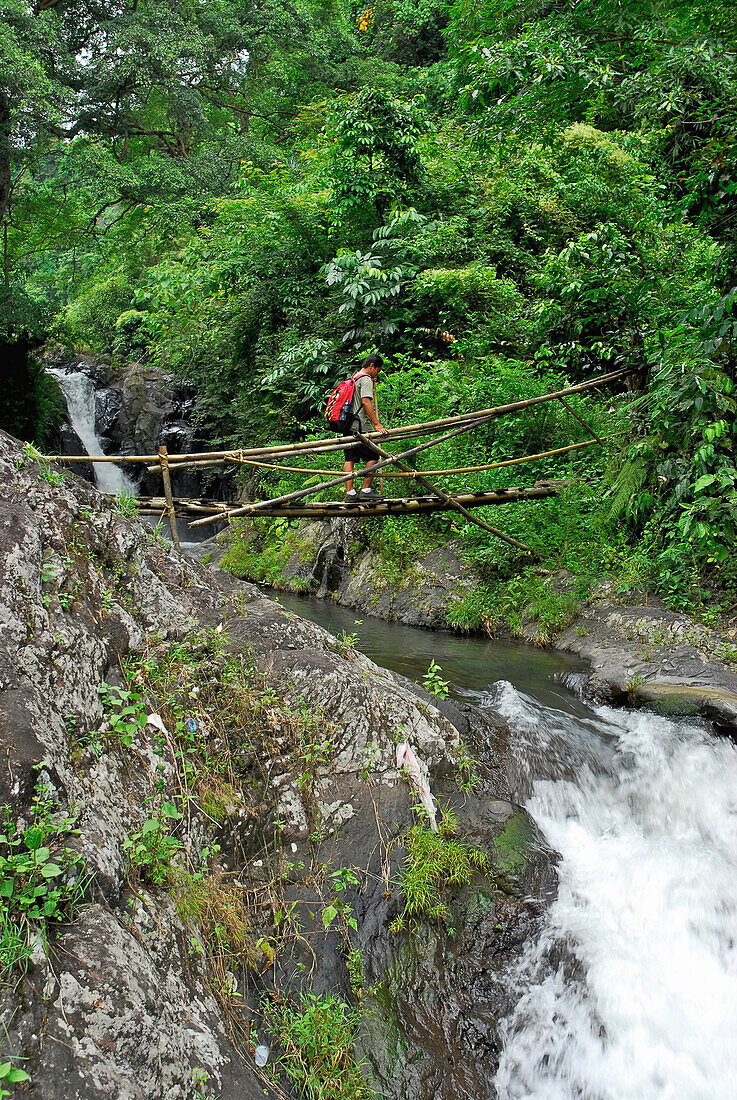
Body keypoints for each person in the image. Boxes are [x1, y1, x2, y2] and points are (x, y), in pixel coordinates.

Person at [342, 353, 389, 502]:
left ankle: (350, 493)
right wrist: (377, 423)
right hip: (361, 425)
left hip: (347, 424)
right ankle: (366, 490)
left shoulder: (353, 378)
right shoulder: (366, 379)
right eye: (378, 370)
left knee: (350, 458)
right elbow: (366, 402)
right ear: (371, 366)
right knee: (374, 455)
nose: (377, 373)